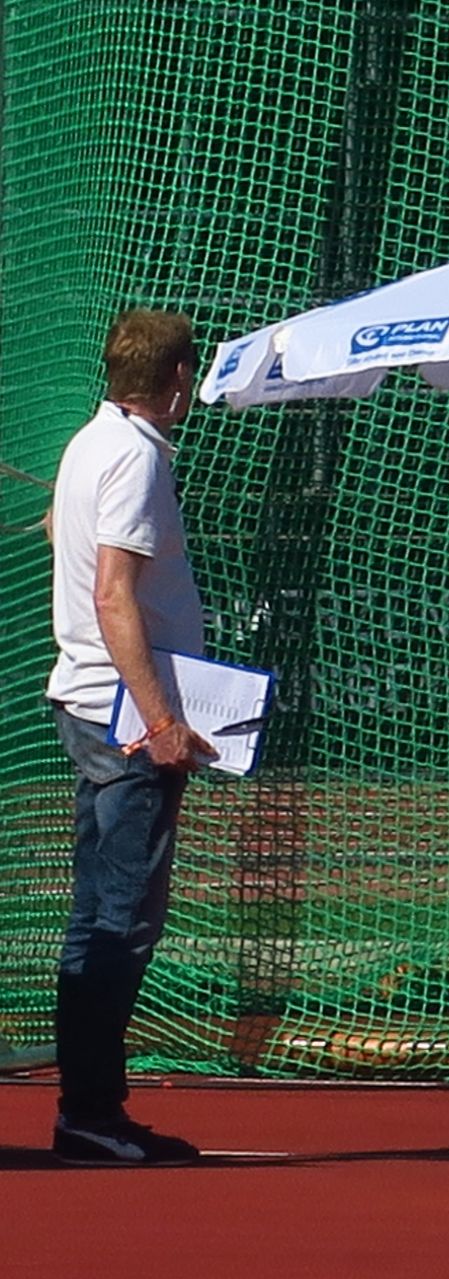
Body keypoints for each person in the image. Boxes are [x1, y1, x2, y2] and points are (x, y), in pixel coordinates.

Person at [45, 308, 211, 1164]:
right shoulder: (136, 456)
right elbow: (113, 592)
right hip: (120, 717)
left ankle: (90, 1105)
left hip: (89, 702)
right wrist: (160, 720)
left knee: (99, 914)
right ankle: (90, 1112)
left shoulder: (90, 442)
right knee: (118, 920)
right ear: (178, 377)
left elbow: (62, 539)